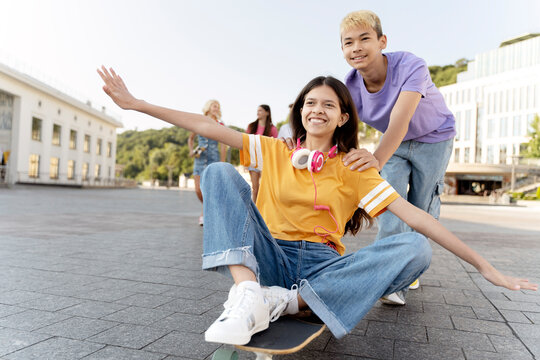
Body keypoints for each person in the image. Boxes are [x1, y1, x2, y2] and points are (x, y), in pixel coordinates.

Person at [97, 67, 537, 346]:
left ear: (344, 117)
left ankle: (287, 303)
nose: (317, 109)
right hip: (270, 254)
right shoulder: (272, 149)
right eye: (310, 102)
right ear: (300, 112)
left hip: (325, 267)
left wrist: (484, 266)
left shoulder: (354, 167)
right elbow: (204, 124)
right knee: (218, 174)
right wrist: (137, 104)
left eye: (329, 104)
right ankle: (249, 293)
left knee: (416, 248)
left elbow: (415, 216)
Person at [340, 10, 457, 302]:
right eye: (348, 42)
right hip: (395, 145)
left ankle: (410, 268)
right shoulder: (350, 86)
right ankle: (389, 280)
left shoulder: (410, 65)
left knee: (422, 206)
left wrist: (376, 159)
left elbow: (401, 119)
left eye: (365, 38)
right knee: (390, 204)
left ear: (382, 41)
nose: (356, 47)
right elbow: (340, 127)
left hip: (435, 137)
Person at [188, 99, 227, 226]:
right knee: (198, 190)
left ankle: (204, 214)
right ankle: (207, 210)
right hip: (200, 158)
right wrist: (191, 151)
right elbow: (191, 138)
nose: (216, 108)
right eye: (214, 105)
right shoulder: (200, 120)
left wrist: (222, 161)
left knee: (210, 189)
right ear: (209, 107)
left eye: (218, 106)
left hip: (214, 159)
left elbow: (223, 144)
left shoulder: (220, 124)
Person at [246, 105, 278, 202]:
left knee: (265, 188)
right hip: (253, 160)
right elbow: (246, 143)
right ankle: (255, 211)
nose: (258, 112)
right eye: (257, 110)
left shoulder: (272, 129)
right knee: (255, 188)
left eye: (260, 110)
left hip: (266, 160)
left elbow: (275, 145)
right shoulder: (251, 126)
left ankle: (264, 209)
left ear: (267, 113)